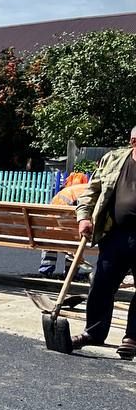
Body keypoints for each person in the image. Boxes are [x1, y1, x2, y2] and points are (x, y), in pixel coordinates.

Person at [72, 125, 136, 359]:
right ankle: (94, 332)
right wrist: (84, 218)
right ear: (133, 142)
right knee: (100, 283)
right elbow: (92, 191)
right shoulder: (113, 160)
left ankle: (132, 337)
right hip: (115, 233)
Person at [38, 173, 91, 277]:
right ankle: (71, 273)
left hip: (51, 231)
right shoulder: (86, 191)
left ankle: (46, 269)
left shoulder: (62, 194)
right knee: (74, 240)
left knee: (51, 238)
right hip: (69, 234)